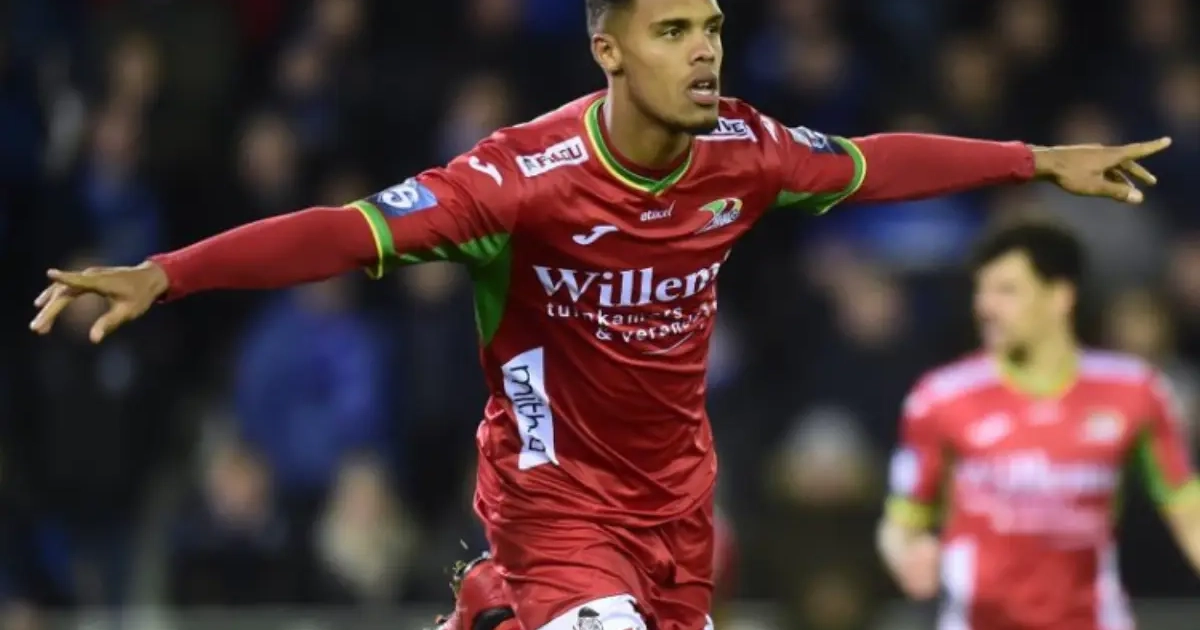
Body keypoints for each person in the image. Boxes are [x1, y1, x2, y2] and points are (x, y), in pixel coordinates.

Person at [29, 0, 1173, 628]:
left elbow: (876, 163)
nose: (705, 50)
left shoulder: (747, 151)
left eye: (711, 26)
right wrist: (165, 274)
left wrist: (1034, 160)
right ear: (608, 47)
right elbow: (340, 230)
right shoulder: (515, 179)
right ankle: (511, 591)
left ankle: (492, 613)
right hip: (554, 499)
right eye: (673, 32)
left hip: (676, 507)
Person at [877, 221, 1200, 630]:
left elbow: (1188, 512)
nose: (985, 307)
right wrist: (905, 554)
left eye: (1007, 291)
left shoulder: (1135, 391)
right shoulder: (941, 397)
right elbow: (900, 523)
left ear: (1059, 297)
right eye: (981, 292)